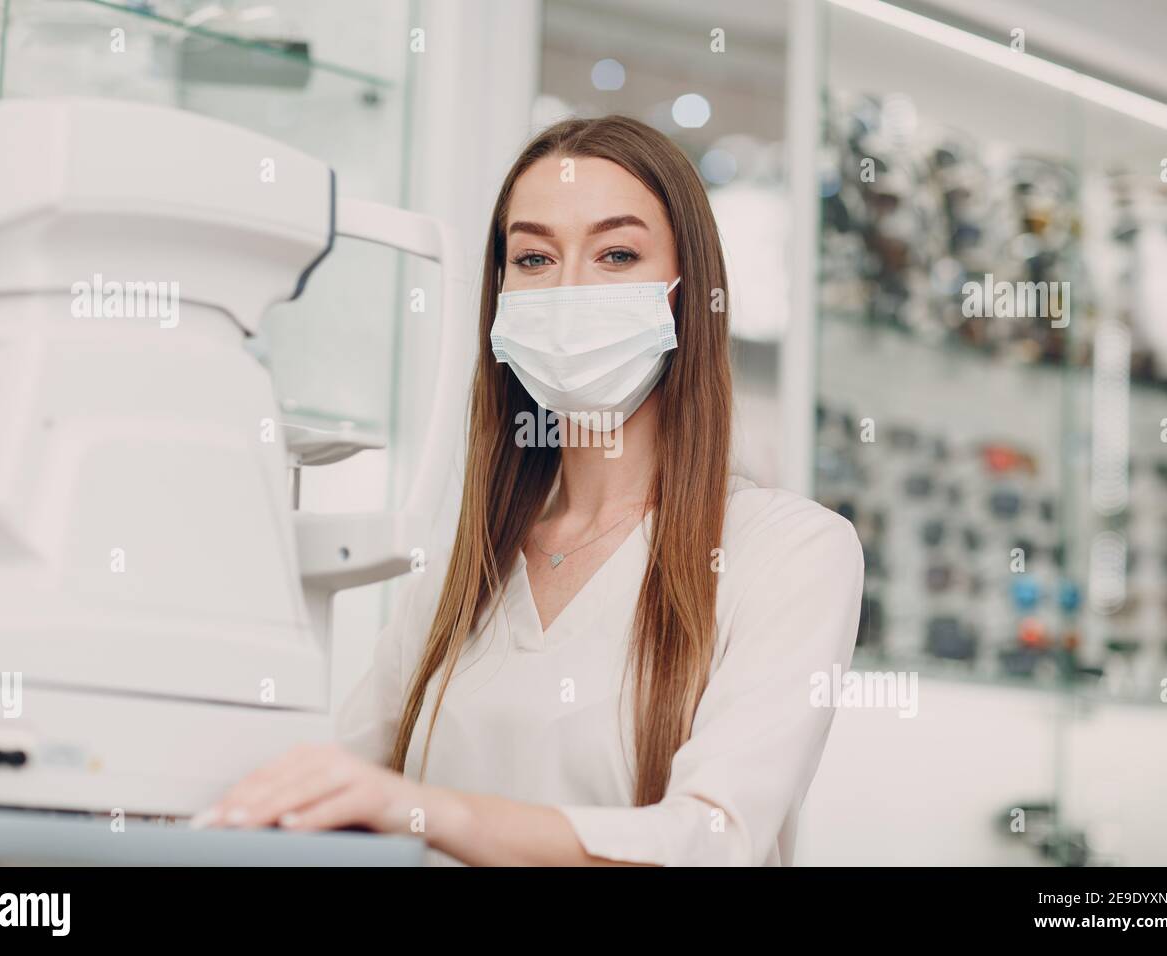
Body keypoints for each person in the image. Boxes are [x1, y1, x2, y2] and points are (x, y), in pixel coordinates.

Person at [197, 115, 864, 866]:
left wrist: (428, 813)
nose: (570, 290)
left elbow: (714, 839)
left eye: (616, 254)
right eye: (535, 257)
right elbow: (340, 788)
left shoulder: (790, 552)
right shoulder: (468, 569)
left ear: (686, 294)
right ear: (501, 295)